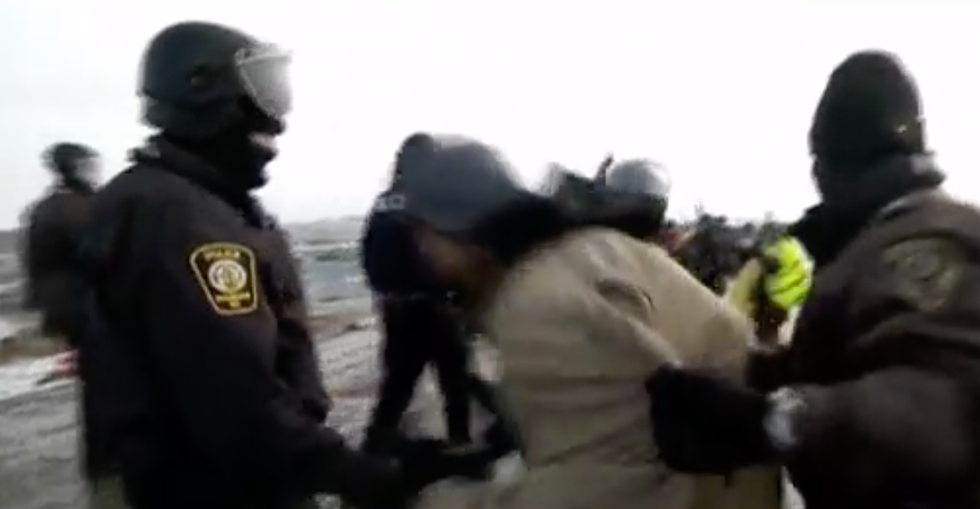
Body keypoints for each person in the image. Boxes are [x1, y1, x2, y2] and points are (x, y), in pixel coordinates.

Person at [76, 21, 469, 509]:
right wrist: (361, 474)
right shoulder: (177, 217)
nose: (276, 123)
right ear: (204, 92)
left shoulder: (207, 203)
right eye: (260, 95)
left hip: (240, 472)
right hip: (198, 486)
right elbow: (233, 397)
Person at [647, 50, 980, 509]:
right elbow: (848, 364)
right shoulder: (881, 238)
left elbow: (945, 406)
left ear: (828, 164)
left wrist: (774, 420)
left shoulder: (920, 241)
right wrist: (743, 379)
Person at [387, 132, 781, 509]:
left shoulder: (537, 306)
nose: (420, 255)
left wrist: (432, 499)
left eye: (423, 237)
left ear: (464, 232)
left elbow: (602, 495)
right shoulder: (597, 250)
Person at [360, 161, 508, 455]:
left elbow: (369, 255)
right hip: (436, 306)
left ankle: (372, 450)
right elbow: (445, 257)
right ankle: (461, 446)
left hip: (396, 309)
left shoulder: (383, 204)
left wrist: (388, 295)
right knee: (455, 382)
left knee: (397, 385)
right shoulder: (429, 203)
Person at [19, 142, 101, 347]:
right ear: (74, 168)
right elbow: (98, 250)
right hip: (77, 301)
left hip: (64, 301)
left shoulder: (52, 205)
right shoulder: (70, 207)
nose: (96, 172)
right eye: (89, 165)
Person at [727, 231, 811, 344]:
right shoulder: (793, 245)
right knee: (770, 328)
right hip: (791, 295)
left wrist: (755, 254)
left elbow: (771, 264)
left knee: (764, 334)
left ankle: (766, 352)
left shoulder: (780, 249)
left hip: (780, 295)